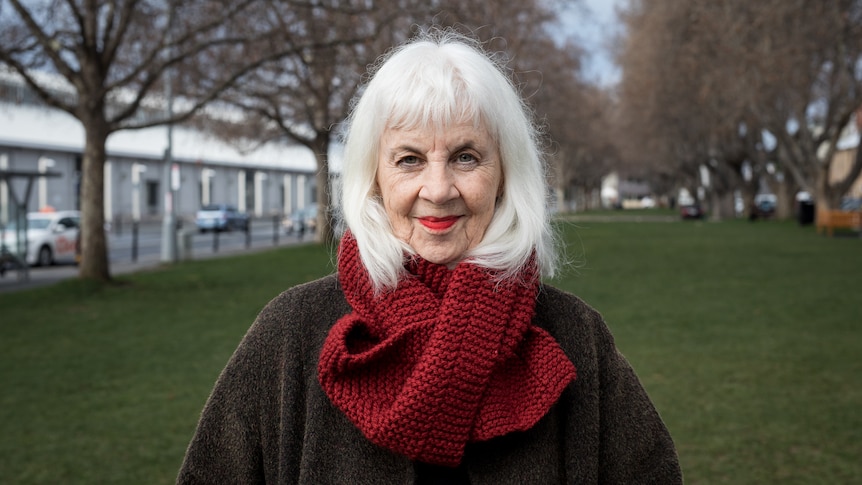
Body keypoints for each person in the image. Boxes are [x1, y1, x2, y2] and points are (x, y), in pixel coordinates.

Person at [177, 29, 682, 484]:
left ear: (506, 174)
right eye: (409, 159)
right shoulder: (290, 333)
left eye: (466, 156)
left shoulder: (577, 336)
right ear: (373, 178)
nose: (438, 190)